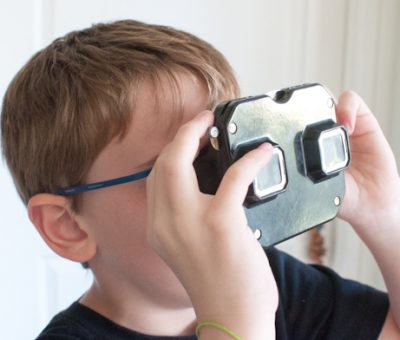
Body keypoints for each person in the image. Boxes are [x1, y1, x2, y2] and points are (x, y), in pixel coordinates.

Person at [1, 19, 399, 339]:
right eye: (188, 169)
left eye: (231, 151)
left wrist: (386, 219)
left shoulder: (274, 280)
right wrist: (237, 319)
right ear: (68, 226)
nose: (235, 191)